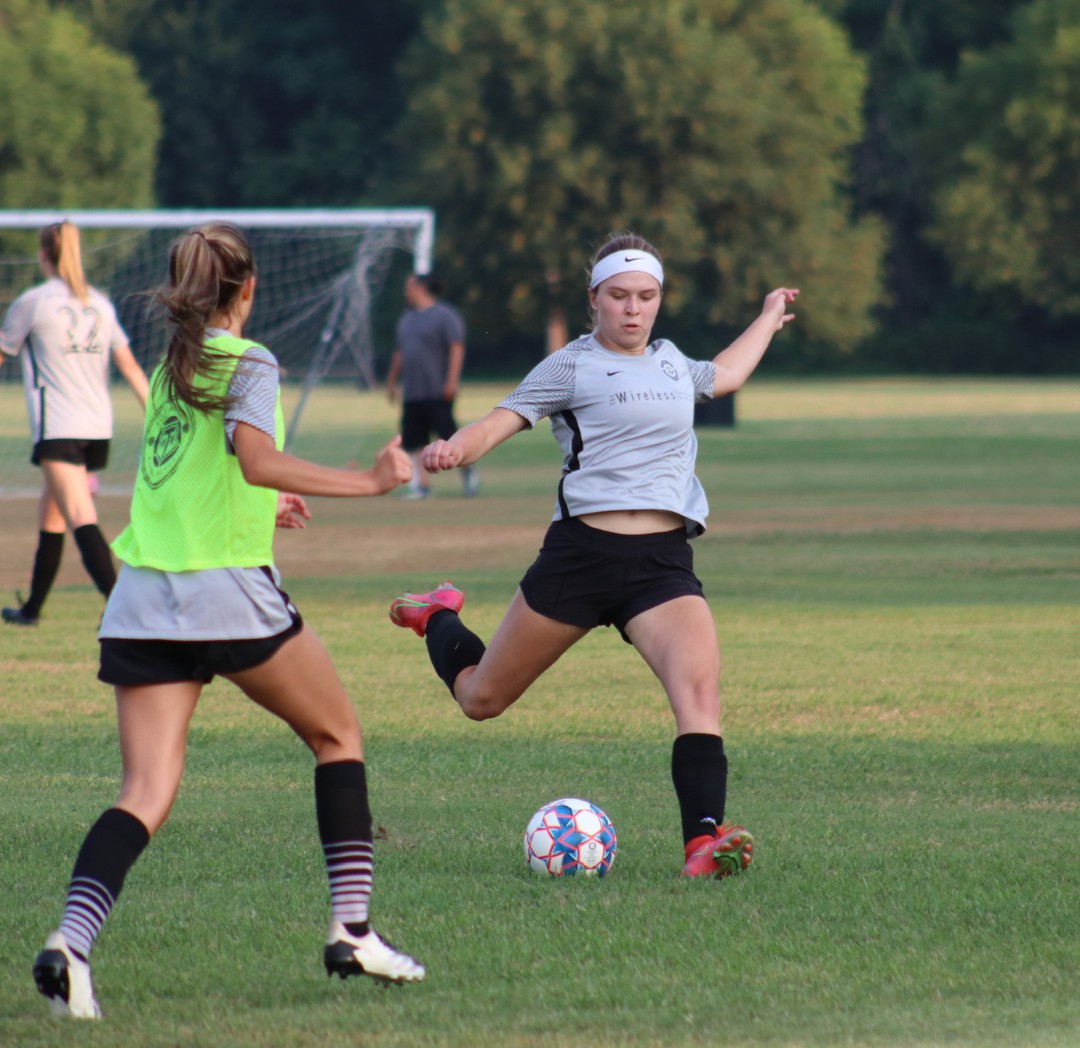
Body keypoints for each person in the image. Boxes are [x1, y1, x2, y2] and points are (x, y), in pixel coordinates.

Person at [32, 222, 424, 1020]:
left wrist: (263, 506)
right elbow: (255, 458)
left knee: (144, 791)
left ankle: (70, 945)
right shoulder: (249, 360)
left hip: (142, 602)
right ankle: (353, 932)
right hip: (224, 596)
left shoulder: (172, 367)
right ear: (248, 288)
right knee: (337, 736)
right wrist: (371, 480)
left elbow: (193, 479)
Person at [388, 232, 798, 878]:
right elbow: (498, 421)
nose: (634, 309)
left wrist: (770, 315)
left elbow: (728, 373)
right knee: (481, 699)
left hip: (662, 564)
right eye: (619, 296)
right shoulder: (570, 365)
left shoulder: (672, 363)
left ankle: (702, 842)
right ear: (594, 298)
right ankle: (437, 615)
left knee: (699, 692)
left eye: (647, 296)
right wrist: (453, 449)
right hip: (580, 558)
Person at [0, 221, 149, 626]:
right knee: (52, 514)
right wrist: (159, 415)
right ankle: (31, 609)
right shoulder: (99, 303)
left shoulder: (34, 302)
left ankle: (122, 608)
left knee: (80, 514)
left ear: (42, 254)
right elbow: (131, 368)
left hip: (59, 428)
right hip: (97, 428)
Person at [385, 273, 479, 499]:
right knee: (413, 440)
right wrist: (391, 381)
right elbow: (400, 352)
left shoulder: (444, 315)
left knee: (450, 438)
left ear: (420, 288)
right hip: (413, 392)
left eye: (409, 287)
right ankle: (420, 486)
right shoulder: (406, 319)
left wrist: (452, 380)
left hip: (437, 391)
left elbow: (456, 347)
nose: (406, 292)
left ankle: (469, 475)